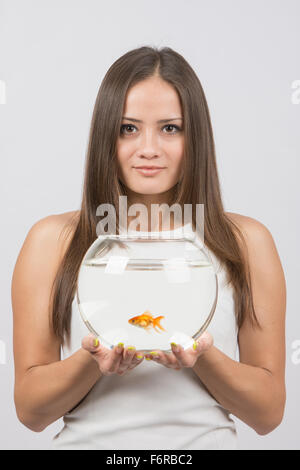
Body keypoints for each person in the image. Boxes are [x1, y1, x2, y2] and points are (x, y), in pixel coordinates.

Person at [11, 46, 286, 450]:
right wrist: (93, 360)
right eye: (129, 128)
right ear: (107, 133)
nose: (149, 149)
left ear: (196, 136)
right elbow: (30, 412)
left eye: (170, 128)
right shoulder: (53, 241)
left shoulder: (246, 242)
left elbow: (268, 414)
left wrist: (201, 355)